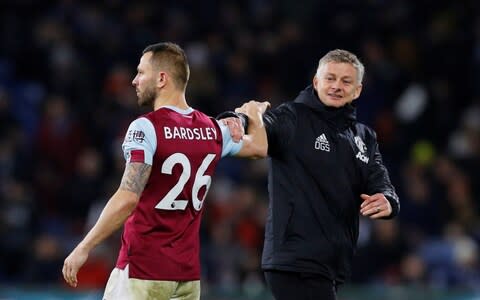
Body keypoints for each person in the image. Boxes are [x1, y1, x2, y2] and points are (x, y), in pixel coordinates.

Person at [62, 42, 268, 300]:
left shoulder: (145, 128)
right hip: (187, 276)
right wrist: (254, 113)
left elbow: (128, 197)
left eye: (140, 72)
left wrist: (84, 246)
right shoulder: (213, 130)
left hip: (142, 271)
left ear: (161, 78)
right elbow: (260, 147)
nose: (135, 80)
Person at [233, 49, 400, 300]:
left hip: (331, 264)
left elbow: (381, 182)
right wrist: (235, 120)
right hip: (294, 261)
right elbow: (257, 125)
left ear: (357, 90)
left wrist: (387, 200)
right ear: (316, 82)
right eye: (330, 78)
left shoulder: (364, 137)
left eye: (346, 81)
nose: (336, 86)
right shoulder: (293, 117)